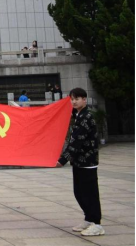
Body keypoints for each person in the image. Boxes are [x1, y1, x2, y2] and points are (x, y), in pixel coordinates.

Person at [56, 88, 104, 237]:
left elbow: (77, 141)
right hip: (78, 162)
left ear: (84, 99)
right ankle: (88, 219)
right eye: (72, 99)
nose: (74, 102)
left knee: (90, 193)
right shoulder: (78, 115)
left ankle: (97, 224)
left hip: (88, 162)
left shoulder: (86, 117)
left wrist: (62, 160)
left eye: (77, 99)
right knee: (79, 193)